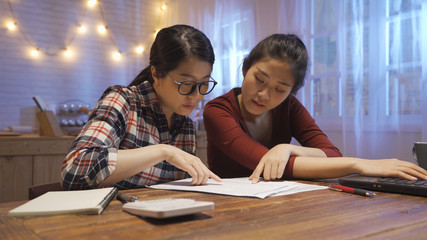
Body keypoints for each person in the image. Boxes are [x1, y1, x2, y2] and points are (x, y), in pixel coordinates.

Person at [203, 34, 427, 183]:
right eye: (259, 79)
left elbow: (331, 153)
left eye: (280, 89)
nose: (264, 95)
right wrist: (360, 163)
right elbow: (271, 164)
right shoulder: (217, 111)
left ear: (292, 91)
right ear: (245, 68)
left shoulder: (289, 107)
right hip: (229, 209)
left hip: (280, 204)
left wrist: (287, 148)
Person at [61, 24, 221, 190]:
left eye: (204, 84)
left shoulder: (185, 124)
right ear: (156, 73)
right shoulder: (123, 101)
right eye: (186, 84)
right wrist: (163, 151)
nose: (196, 95)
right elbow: (75, 169)